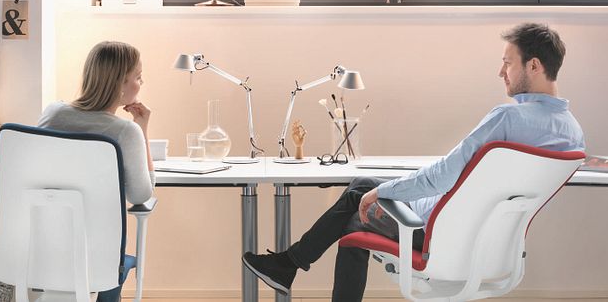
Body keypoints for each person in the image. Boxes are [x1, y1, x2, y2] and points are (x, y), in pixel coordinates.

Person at [242, 23, 585, 301]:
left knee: (358, 205)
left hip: (437, 235)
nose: (501, 72)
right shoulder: (573, 134)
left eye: (508, 62)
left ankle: (289, 263)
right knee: (358, 208)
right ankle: (288, 263)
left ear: (535, 66)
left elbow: (442, 176)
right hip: (490, 243)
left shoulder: (508, 119)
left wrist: (385, 191)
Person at [37, 41, 155, 302]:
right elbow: (141, 194)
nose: (141, 83)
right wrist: (143, 129)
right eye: (137, 77)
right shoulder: (125, 131)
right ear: (119, 83)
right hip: (97, 259)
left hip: (39, 251)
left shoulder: (52, 113)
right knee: (112, 257)